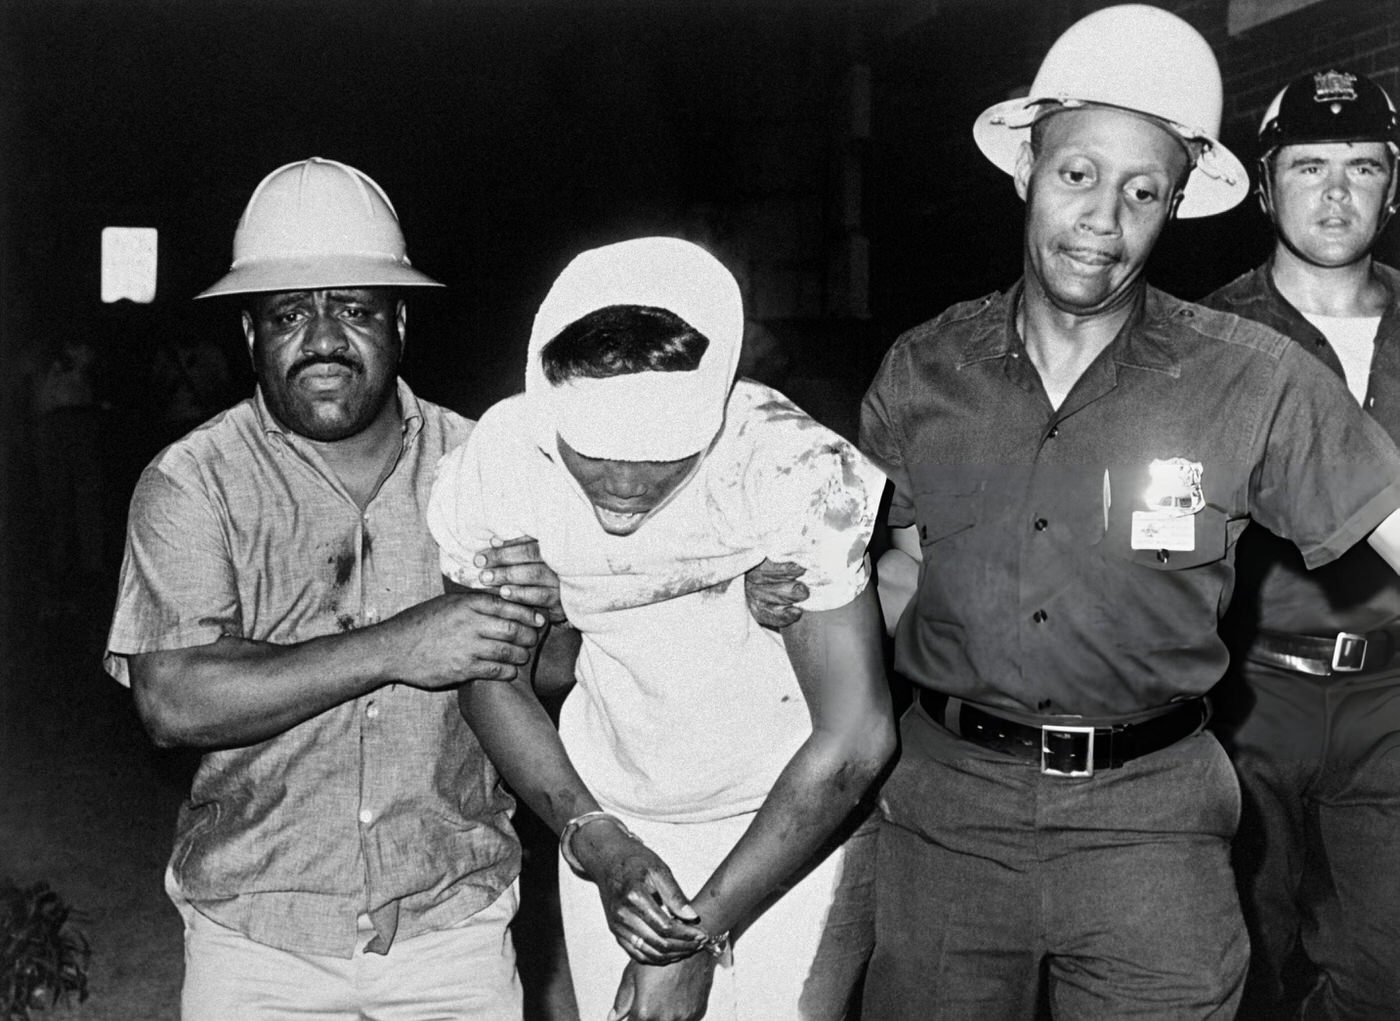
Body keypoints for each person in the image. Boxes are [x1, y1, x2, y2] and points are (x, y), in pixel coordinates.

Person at [857, 6, 1400, 1018]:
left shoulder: (1248, 378)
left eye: (1141, 192)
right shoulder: (921, 367)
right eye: (1076, 177)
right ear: (1024, 166)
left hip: (1150, 817)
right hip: (947, 813)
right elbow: (892, 571)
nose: (1103, 221)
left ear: (1177, 203)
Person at [103, 157, 555, 1020]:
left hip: (450, 920)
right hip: (256, 934)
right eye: (287, 313)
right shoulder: (192, 482)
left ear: (400, 319)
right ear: (249, 336)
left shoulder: (485, 463)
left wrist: (541, 620)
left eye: (351, 307)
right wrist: (401, 644)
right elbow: (174, 701)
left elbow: (560, 667)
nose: (321, 337)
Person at [427, 236, 895, 1021]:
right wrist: (597, 840)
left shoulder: (795, 466)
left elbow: (856, 740)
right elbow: (489, 680)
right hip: (615, 802)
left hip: (788, 816)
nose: (621, 484)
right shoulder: (501, 461)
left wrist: (693, 941)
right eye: (594, 454)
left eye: (660, 457)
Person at [1200, 68, 1400, 1019]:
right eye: (1309, 164)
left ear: (1394, 186)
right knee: (1242, 967)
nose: (1335, 190)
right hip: (1248, 695)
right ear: (1266, 180)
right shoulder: (1204, 338)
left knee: (1382, 975)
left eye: (1362, 167)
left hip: (1392, 701)